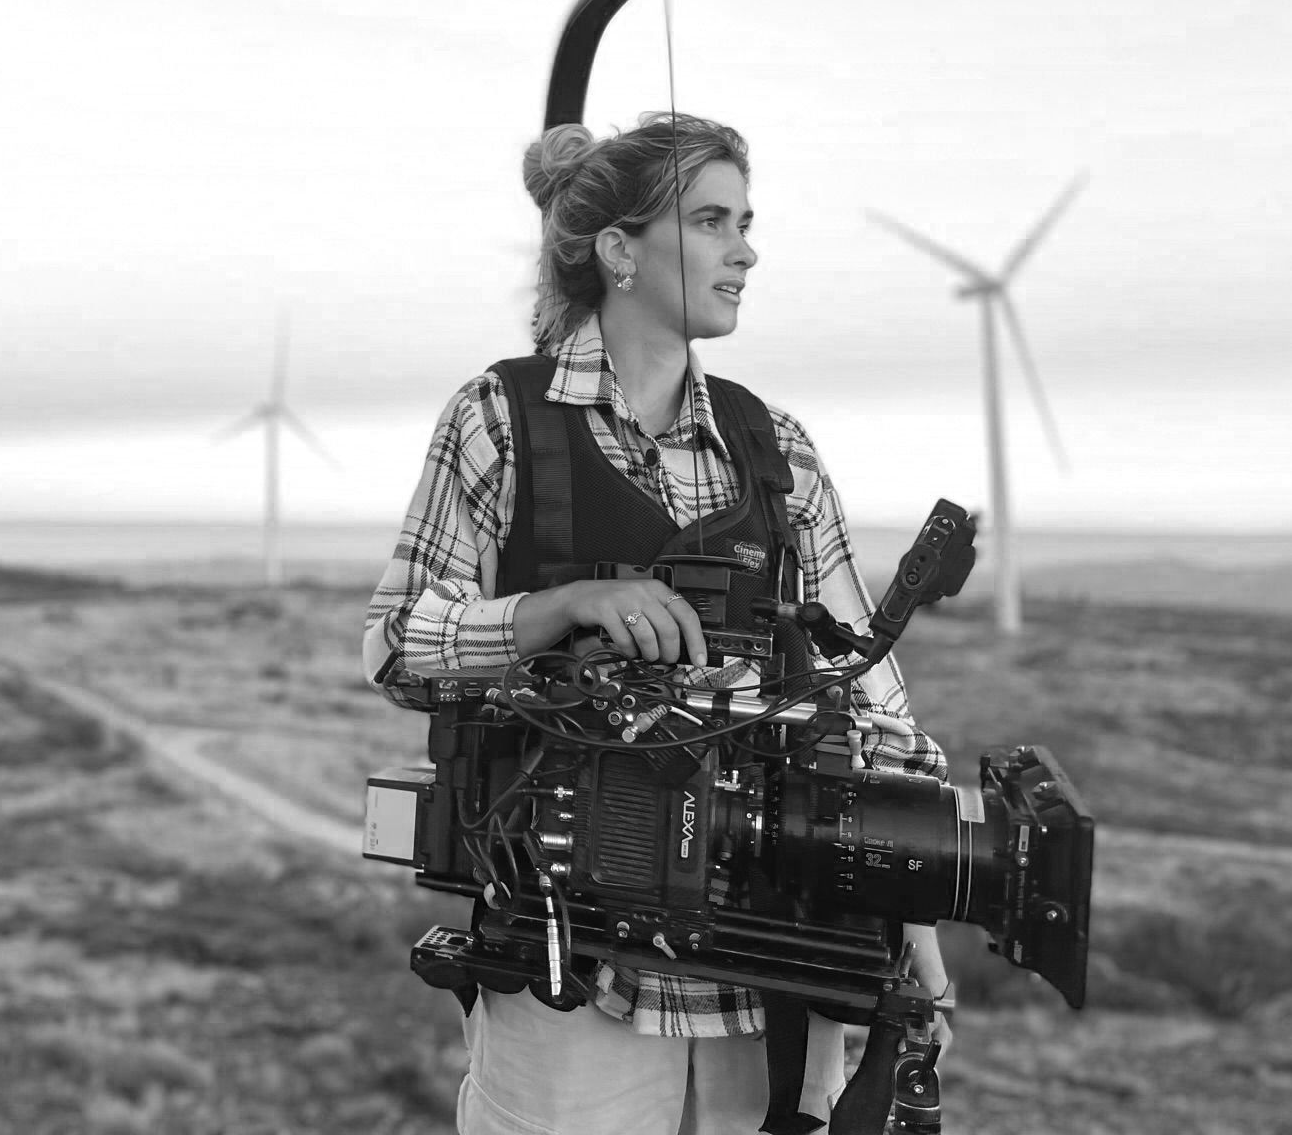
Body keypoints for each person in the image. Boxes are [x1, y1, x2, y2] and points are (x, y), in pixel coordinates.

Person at [361, 113, 953, 1135]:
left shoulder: (778, 451)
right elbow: (396, 644)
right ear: (618, 250)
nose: (746, 248)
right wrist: (559, 609)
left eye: (747, 221)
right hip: (570, 974)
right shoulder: (500, 419)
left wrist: (914, 905)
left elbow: (868, 697)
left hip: (773, 973)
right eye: (712, 220)